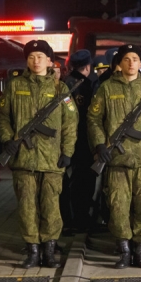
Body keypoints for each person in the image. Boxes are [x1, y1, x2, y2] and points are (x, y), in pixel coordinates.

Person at [0, 40, 78, 268]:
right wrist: (8, 139)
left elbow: (70, 124)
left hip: (52, 160)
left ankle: (49, 251)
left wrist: (68, 152)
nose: (35, 61)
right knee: (26, 208)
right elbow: (3, 118)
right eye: (31, 57)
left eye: (40, 57)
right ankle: (32, 251)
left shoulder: (60, 89)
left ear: (50, 61)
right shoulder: (14, 86)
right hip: (23, 159)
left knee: (51, 208)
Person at [87, 44, 141, 269]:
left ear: (140, 63)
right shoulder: (106, 89)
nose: (131, 63)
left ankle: (140, 251)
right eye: (126, 59)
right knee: (118, 207)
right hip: (116, 162)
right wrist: (100, 144)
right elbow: (93, 120)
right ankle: (123, 251)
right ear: (119, 64)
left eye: (135, 59)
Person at [61, 49, 99, 235]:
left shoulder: (64, 83)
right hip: (83, 142)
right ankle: (81, 219)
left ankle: (69, 219)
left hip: (66, 142)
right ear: (88, 66)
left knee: (69, 182)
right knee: (84, 182)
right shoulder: (85, 86)